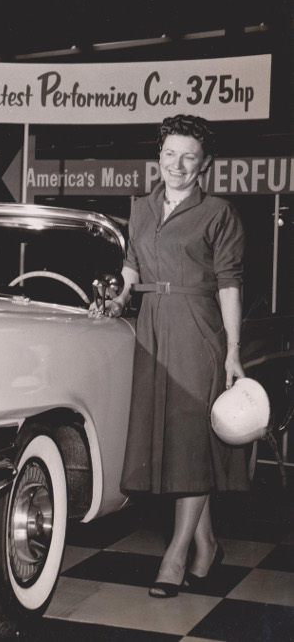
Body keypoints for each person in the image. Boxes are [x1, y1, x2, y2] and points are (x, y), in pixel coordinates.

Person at [91, 114, 248, 598]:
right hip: (152, 328)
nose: (177, 165)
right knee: (170, 442)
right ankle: (207, 545)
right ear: (158, 156)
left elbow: (229, 285)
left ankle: (175, 556)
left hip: (198, 330)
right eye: (169, 154)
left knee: (191, 444)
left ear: (204, 165)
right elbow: (132, 264)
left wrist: (233, 352)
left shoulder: (218, 212)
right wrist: (120, 299)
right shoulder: (140, 206)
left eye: (189, 157)